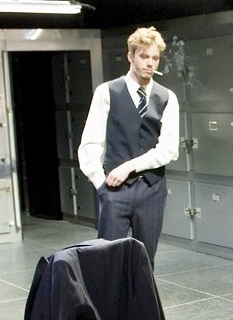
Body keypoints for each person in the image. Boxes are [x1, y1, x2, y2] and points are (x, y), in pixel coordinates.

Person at [77, 26, 180, 267]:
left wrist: (129, 167)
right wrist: (100, 185)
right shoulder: (107, 92)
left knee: (144, 261)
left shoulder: (167, 97)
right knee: (108, 260)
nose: (150, 63)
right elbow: (90, 143)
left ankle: (140, 295)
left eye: (155, 58)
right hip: (114, 191)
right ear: (130, 56)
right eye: (144, 56)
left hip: (152, 189)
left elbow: (168, 149)